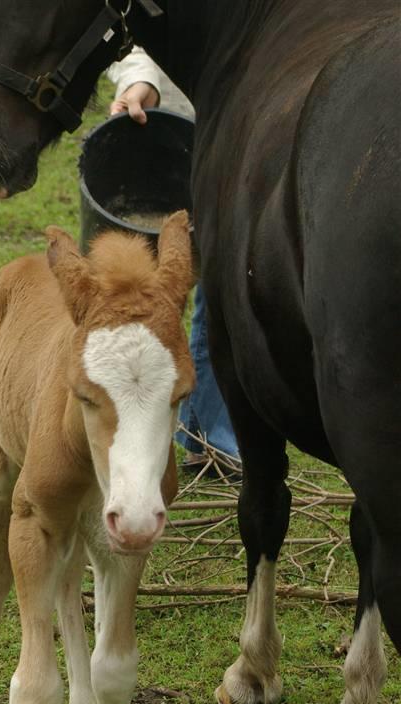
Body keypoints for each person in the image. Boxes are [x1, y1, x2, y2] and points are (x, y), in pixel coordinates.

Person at [108, 50, 242, 479]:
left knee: (225, 284)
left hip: (250, 125)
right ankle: (115, 431)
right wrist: (143, 78)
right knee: (138, 300)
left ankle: (208, 437)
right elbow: (128, 22)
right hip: (160, 130)